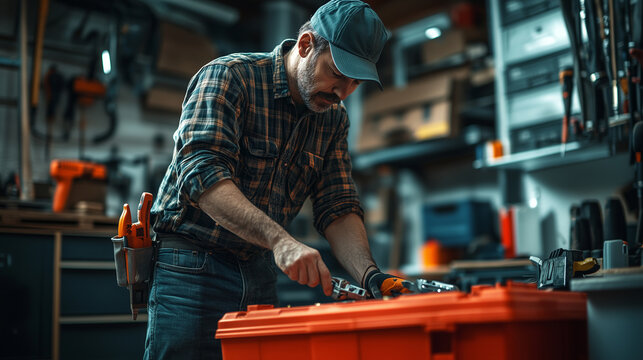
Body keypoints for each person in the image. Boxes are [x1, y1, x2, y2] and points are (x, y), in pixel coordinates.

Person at [145, 1, 413, 358]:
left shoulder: (332, 119)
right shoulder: (230, 77)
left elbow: (338, 206)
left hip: (259, 271)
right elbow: (201, 174)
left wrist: (370, 276)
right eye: (337, 73)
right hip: (192, 268)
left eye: (355, 82)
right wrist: (281, 242)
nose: (343, 92)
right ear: (305, 45)